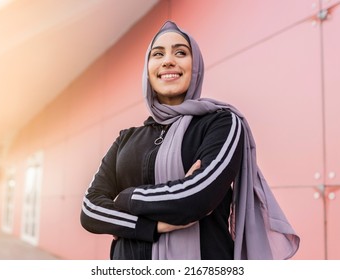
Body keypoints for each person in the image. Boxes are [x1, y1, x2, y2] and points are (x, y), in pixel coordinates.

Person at [80, 21, 299, 260]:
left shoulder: (223, 123)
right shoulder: (126, 139)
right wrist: (151, 226)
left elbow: (196, 199)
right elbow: (91, 211)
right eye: (158, 54)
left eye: (181, 52)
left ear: (196, 67)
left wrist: (126, 198)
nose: (168, 61)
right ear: (148, 69)